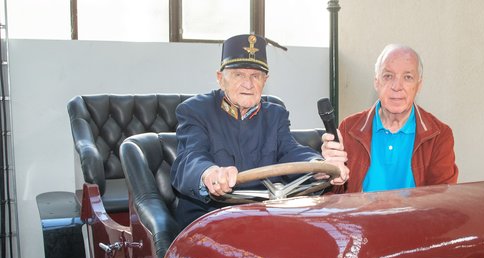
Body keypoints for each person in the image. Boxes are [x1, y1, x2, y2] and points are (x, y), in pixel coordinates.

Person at [171, 34, 348, 227]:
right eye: (239, 74)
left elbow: (291, 151)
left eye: (255, 76)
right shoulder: (195, 110)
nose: (248, 84)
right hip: (210, 220)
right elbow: (190, 157)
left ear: (265, 80)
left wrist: (319, 166)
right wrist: (209, 173)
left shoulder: (275, 114)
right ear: (220, 79)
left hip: (265, 219)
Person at [321, 44, 457, 193]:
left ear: (419, 86)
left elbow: (442, 201)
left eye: (407, 77)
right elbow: (335, 197)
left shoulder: (439, 135)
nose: (397, 86)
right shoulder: (349, 128)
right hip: (362, 215)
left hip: (413, 216)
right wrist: (327, 173)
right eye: (388, 76)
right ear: (376, 82)